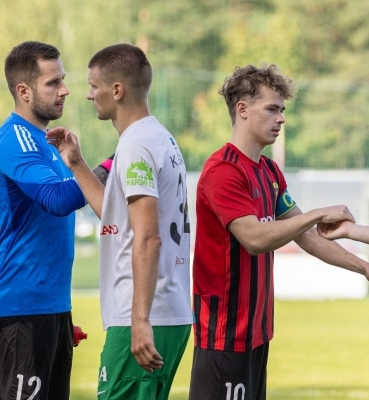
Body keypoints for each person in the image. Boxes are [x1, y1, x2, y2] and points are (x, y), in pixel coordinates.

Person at [188, 64, 369, 399]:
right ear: (242, 109)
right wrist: (315, 213)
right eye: (272, 109)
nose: (281, 118)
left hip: (257, 334)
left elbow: (310, 237)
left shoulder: (269, 171)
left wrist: (364, 268)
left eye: (282, 110)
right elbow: (255, 239)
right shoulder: (223, 171)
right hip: (224, 336)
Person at [46, 43, 192, 400]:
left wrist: (139, 321)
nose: (87, 94)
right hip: (167, 312)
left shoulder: (136, 146)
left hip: (142, 315)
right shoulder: (160, 138)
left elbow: (147, 238)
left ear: (117, 90)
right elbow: (120, 219)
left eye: (94, 85)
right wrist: (77, 165)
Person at [0, 40, 96, 400]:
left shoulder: (48, 140)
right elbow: (57, 199)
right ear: (23, 90)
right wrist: (112, 167)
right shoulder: (14, 140)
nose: (64, 90)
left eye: (63, 80)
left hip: (53, 307)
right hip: (22, 308)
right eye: (52, 83)